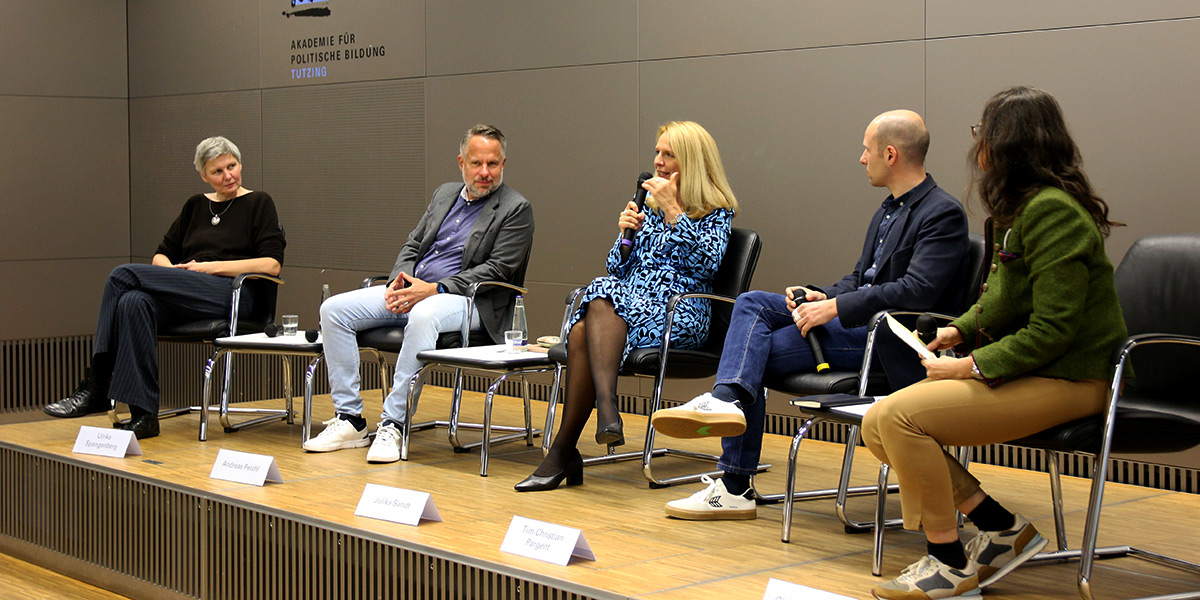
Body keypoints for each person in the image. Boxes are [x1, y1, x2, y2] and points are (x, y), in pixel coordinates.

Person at [860, 87, 1126, 600]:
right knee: (879, 423)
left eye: (983, 132)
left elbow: (1053, 330)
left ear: (1007, 144)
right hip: (1040, 370)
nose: (977, 145)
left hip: (1076, 377)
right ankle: (1001, 527)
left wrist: (969, 366)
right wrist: (956, 330)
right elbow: (1002, 297)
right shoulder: (1023, 210)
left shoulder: (1054, 212)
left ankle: (947, 562)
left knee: (896, 417)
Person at [651, 110, 971, 520]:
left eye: (866, 149)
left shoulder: (942, 213)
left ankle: (733, 481)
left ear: (890, 154)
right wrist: (819, 295)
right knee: (751, 304)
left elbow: (918, 291)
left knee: (754, 352)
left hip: (892, 338)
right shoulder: (888, 210)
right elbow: (860, 277)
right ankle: (727, 406)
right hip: (857, 322)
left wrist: (834, 307)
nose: (861, 158)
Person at [514, 121, 739, 492]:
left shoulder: (716, 209)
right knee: (594, 309)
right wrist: (624, 237)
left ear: (693, 161)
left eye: (669, 154)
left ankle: (575, 440)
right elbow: (617, 268)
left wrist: (673, 213)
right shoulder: (646, 205)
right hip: (628, 306)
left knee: (593, 312)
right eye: (657, 153)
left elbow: (707, 265)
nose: (659, 162)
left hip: (678, 311)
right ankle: (594, 422)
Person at [303, 124, 534, 463]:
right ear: (461, 162)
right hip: (415, 288)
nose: (485, 172)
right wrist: (402, 278)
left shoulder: (516, 208)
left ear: (503, 164)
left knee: (426, 313)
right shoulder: (444, 194)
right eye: (476, 163)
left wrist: (434, 289)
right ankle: (350, 419)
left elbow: (498, 270)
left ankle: (394, 424)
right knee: (334, 310)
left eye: (493, 164)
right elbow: (413, 243)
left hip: (470, 301)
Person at [42, 137, 286, 439]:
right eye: (217, 171)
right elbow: (162, 253)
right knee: (133, 301)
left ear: (240, 163)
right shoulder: (196, 205)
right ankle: (143, 416)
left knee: (121, 276)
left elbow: (271, 265)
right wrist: (171, 273)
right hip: (189, 288)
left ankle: (97, 384)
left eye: (231, 166)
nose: (227, 176)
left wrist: (206, 268)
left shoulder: (259, 202)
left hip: (232, 293)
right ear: (203, 175)